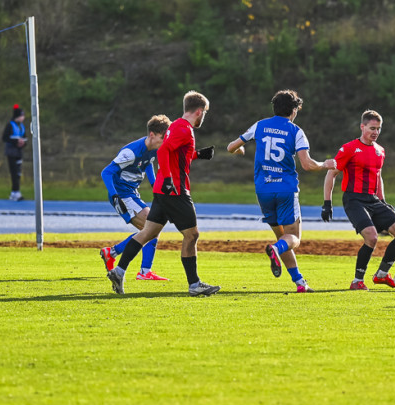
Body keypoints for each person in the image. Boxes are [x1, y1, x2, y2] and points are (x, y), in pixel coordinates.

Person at [106, 91, 220, 297]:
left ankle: (118, 270)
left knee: (148, 233)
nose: (205, 116)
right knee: (192, 234)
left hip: (162, 189)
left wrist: (198, 154)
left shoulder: (176, 126)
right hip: (174, 189)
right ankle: (194, 284)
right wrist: (168, 178)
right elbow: (164, 150)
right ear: (199, 111)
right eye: (205, 113)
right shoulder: (185, 129)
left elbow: (176, 154)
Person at [226, 89, 335, 292]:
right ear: (293, 110)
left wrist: (239, 149)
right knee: (293, 238)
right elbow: (307, 164)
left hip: (263, 190)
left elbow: (231, 146)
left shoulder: (260, 125)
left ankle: (300, 283)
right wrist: (325, 164)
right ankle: (275, 250)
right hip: (285, 190)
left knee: (283, 238)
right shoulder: (296, 131)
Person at [322, 110, 395, 290]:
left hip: (373, 200)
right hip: (354, 200)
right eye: (372, 128)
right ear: (362, 127)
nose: (375, 132)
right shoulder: (349, 148)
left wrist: (383, 200)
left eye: (378, 129)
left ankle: (381, 275)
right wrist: (327, 203)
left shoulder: (380, 151)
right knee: (371, 236)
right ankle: (357, 282)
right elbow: (331, 174)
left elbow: (378, 177)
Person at [99, 114, 170, 282]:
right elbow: (106, 172)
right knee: (152, 227)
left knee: (151, 229)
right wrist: (115, 196)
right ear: (152, 135)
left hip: (131, 193)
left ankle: (113, 253)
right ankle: (144, 271)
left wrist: (156, 186)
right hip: (122, 195)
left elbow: (148, 164)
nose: (164, 142)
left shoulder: (154, 149)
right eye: (162, 138)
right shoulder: (131, 152)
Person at [2, 104, 26, 201]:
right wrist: (16, 142)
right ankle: (15, 192)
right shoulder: (10, 125)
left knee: (18, 173)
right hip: (11, 152)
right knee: (14, 172)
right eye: (21, 115)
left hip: (18, 152)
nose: (23, 117)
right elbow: (5, 138)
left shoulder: (22, 127)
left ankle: (15, 191)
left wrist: (23, 143)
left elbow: (25, 138)